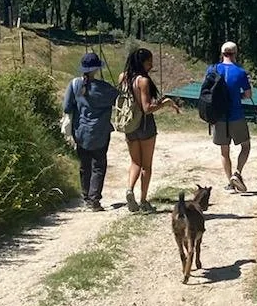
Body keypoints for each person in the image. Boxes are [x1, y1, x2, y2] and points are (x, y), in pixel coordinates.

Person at [118, 47, 181, 212]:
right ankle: (143, 201)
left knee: (134, 162)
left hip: (130, 124)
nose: (151, 66)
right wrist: (165, 103)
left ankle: (129, 189)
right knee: (146, 165)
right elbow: (147, 108)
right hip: (145, 125)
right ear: (143, 62)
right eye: (149, 62)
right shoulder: (143, 81)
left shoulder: (123, 77)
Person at [61, 52, 119, 211]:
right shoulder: (106, 88)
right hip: (100, 132)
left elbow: (66, 107)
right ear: (97, 69)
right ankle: (94, 200)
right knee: (98, 166)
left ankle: (86, 197)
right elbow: (119, 100)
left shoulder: (75, 85)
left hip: (80, 132)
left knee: (84, 165)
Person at [209, 40, 252, 192]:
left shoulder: (212, 69)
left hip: (218, 116)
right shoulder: (240, 72)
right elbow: (248, 94)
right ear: (235, 54)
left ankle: (230, 183)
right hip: (236, 115)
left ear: (222, 54)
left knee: (224, 150)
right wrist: (237, 96)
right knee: (245, 146)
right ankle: (237, 173)